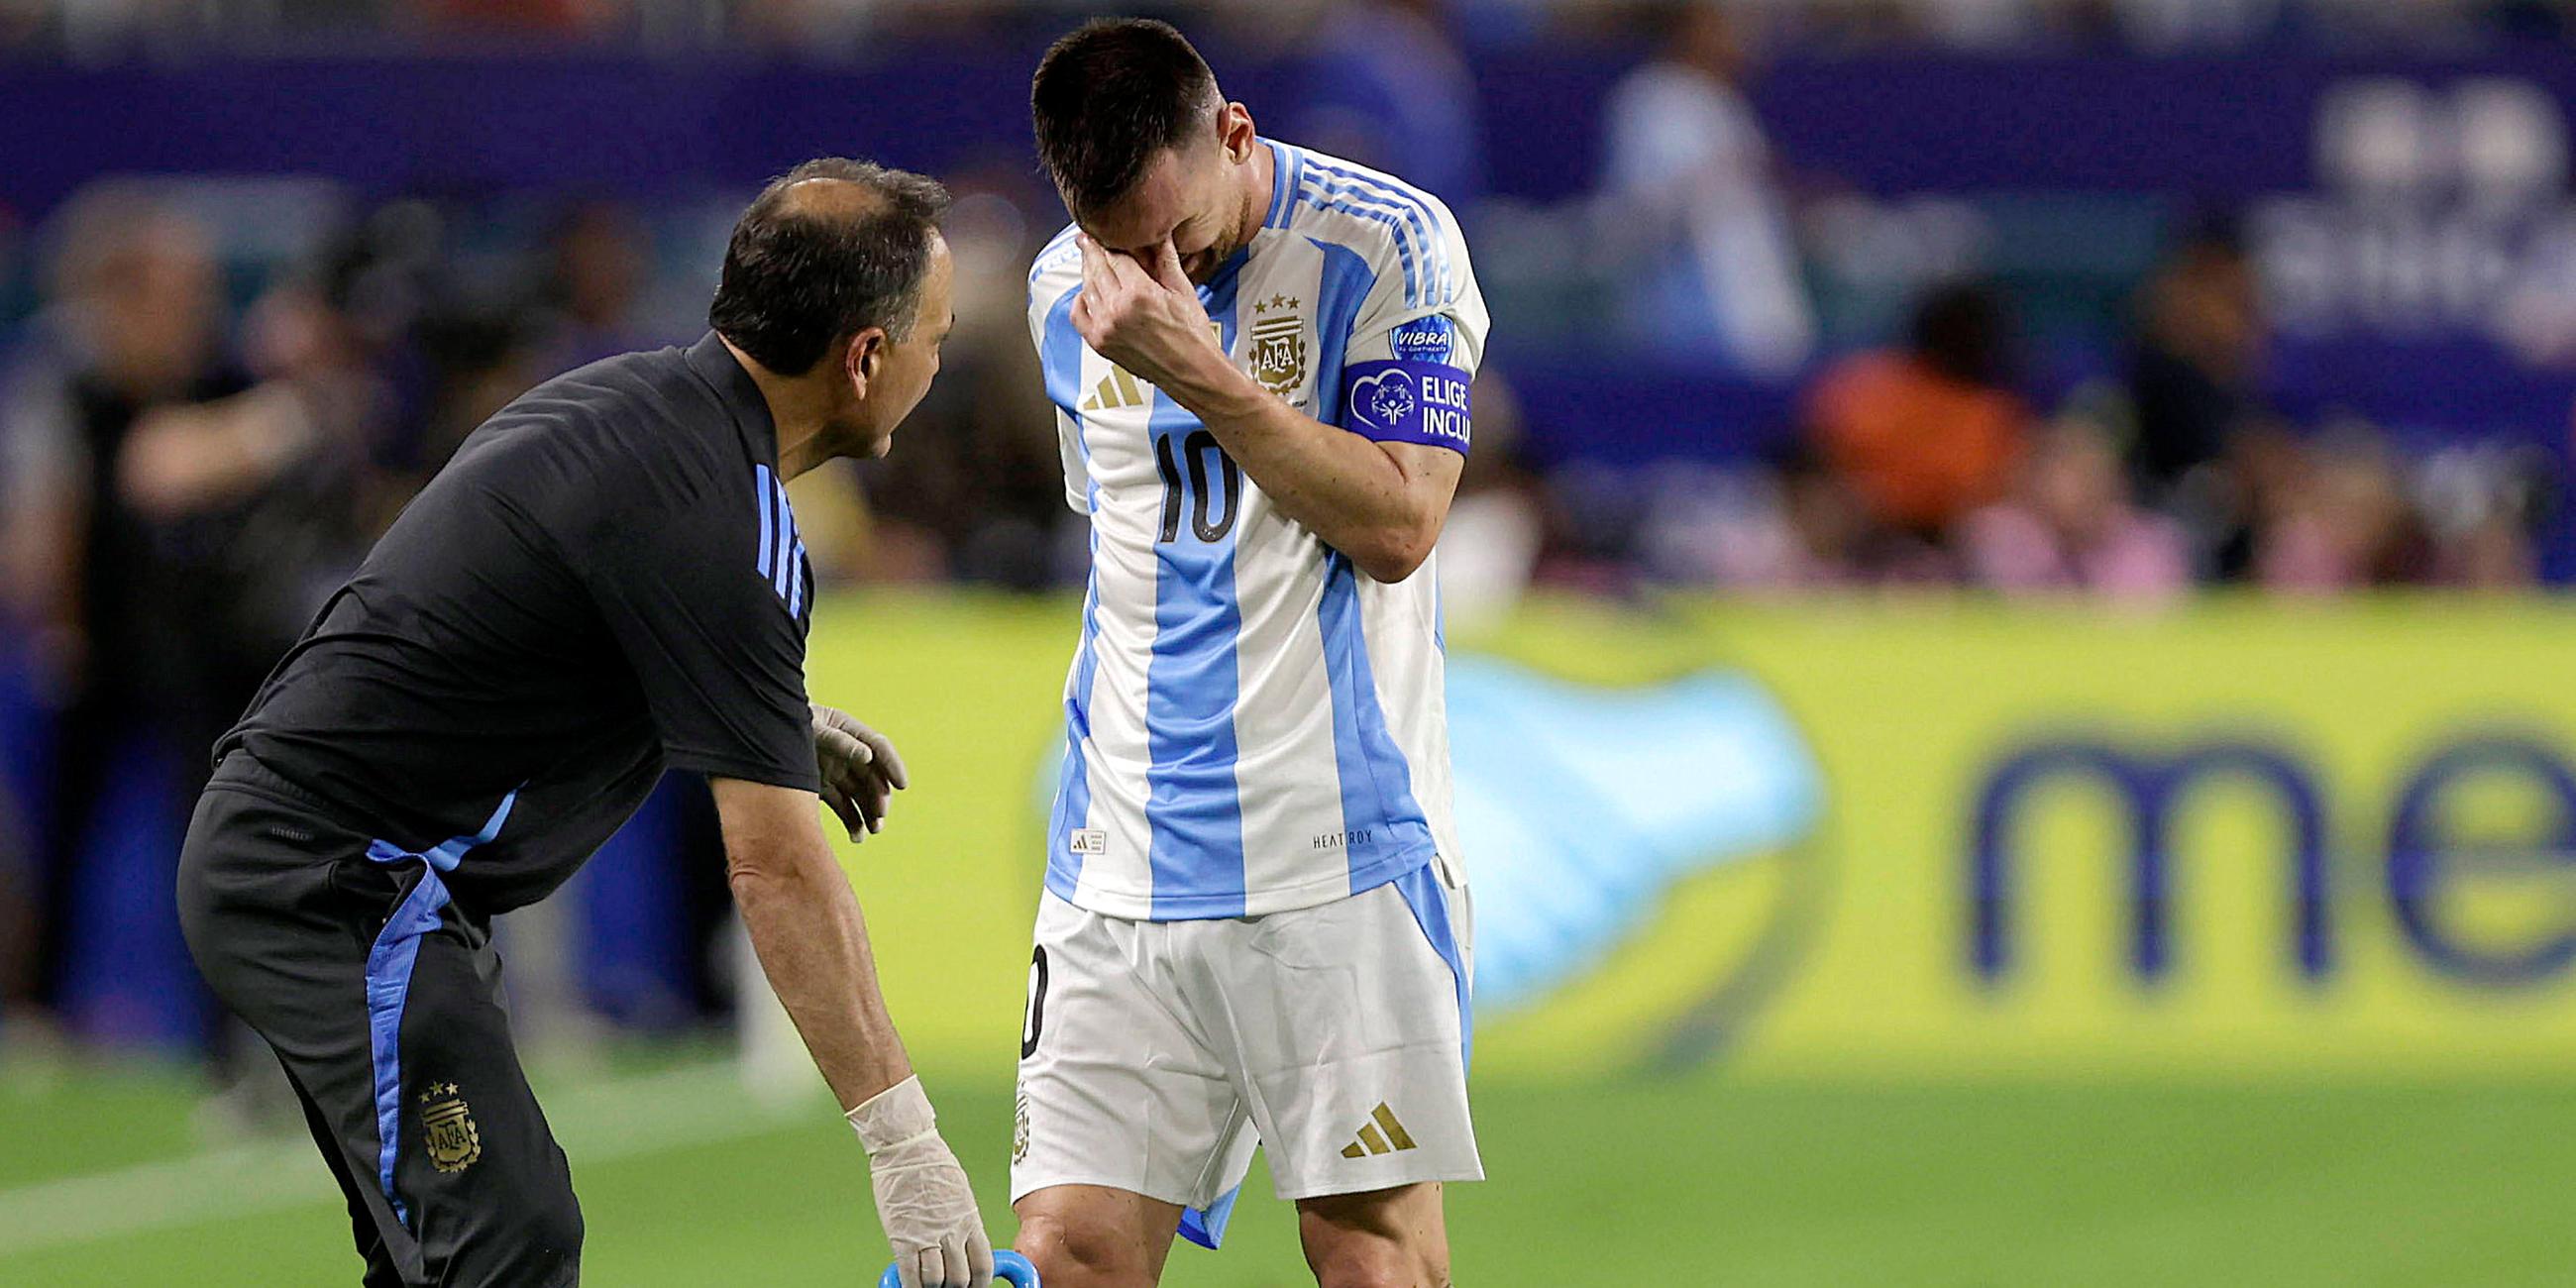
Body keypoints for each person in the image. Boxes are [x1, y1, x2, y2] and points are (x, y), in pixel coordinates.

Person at [174, 160, 997, 1288]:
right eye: (933, 340)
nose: (935, 364)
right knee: (510, 1241)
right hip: (336, 880)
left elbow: (525, 617)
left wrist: (771, 713)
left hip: (333, 869)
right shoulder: (723, 518)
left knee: (451, 1255)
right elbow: (776, 870)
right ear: (864, 357)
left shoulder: (633, 410)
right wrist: (905, 1146)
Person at [1017, 19, 1482, 1287]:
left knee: (1368, 1254)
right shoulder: (1063, 286)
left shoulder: (1386, 243)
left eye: (1182, 233)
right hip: (1117, 861)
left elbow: (1398, 523)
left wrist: (1204, 373)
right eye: (1122, 243)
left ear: (1232, 132)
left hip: (1332, 853)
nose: (1157, 270)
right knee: (1066, 1252)